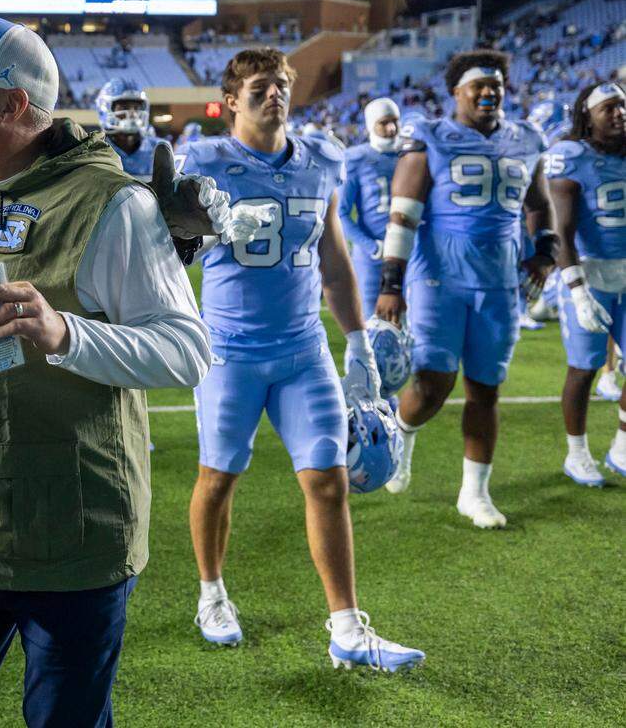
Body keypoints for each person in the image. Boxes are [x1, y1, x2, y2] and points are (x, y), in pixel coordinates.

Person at [0, 14, 212, 727]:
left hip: (74, 537)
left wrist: (66, 332)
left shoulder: (111, 203)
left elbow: (188, 351)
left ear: (11, 106)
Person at [184, 48, 424, 671]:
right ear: (232, 99)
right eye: (261, 86)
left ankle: (346, 626)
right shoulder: (203, 163)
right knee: (218, 477)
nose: (275, 95)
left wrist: (359, 339)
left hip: (301, 350)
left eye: (282, 85)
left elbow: (335, 262)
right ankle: (211, 594)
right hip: (229, 351)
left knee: (327, 477)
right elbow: (163, 254)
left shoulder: (320, 161)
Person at [375, 51, 557, 527]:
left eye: (495, 84)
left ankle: (474, 493)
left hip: (498, 281)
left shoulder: (526, 139)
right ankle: (403, 430)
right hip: (438, 276)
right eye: (477, 85)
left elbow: (538, 202)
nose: (487, 92)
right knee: (434, 384)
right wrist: (391, 283)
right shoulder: (431, 136)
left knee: (486, 389)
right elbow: (402, 212)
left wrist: (545, 248)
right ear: (456, 92)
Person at [544, 81, 626, 485]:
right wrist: (576, 291)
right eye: (609, 108)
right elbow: (561, 227)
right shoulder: (570, 157)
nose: (619, 113)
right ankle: (577, 453)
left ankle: (622, 446)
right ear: (587, 117)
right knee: (583, 369)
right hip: (590, 274)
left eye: (623, 106)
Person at [340, 97, 403, 315]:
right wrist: (372, 247)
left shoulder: (410, 155)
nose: (392, 128)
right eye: (384, 122)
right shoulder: (356, 158)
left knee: (414, 328)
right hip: (372, 258)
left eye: (395, 121)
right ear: (371, 125)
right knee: (372, 324)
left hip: (408, 253)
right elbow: (341, 214)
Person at [94, 77, 167, 181]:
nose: (133, 114)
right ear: (105, 108)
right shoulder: (94, 151)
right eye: (124, 107)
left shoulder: (158, 148)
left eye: (136, 108)